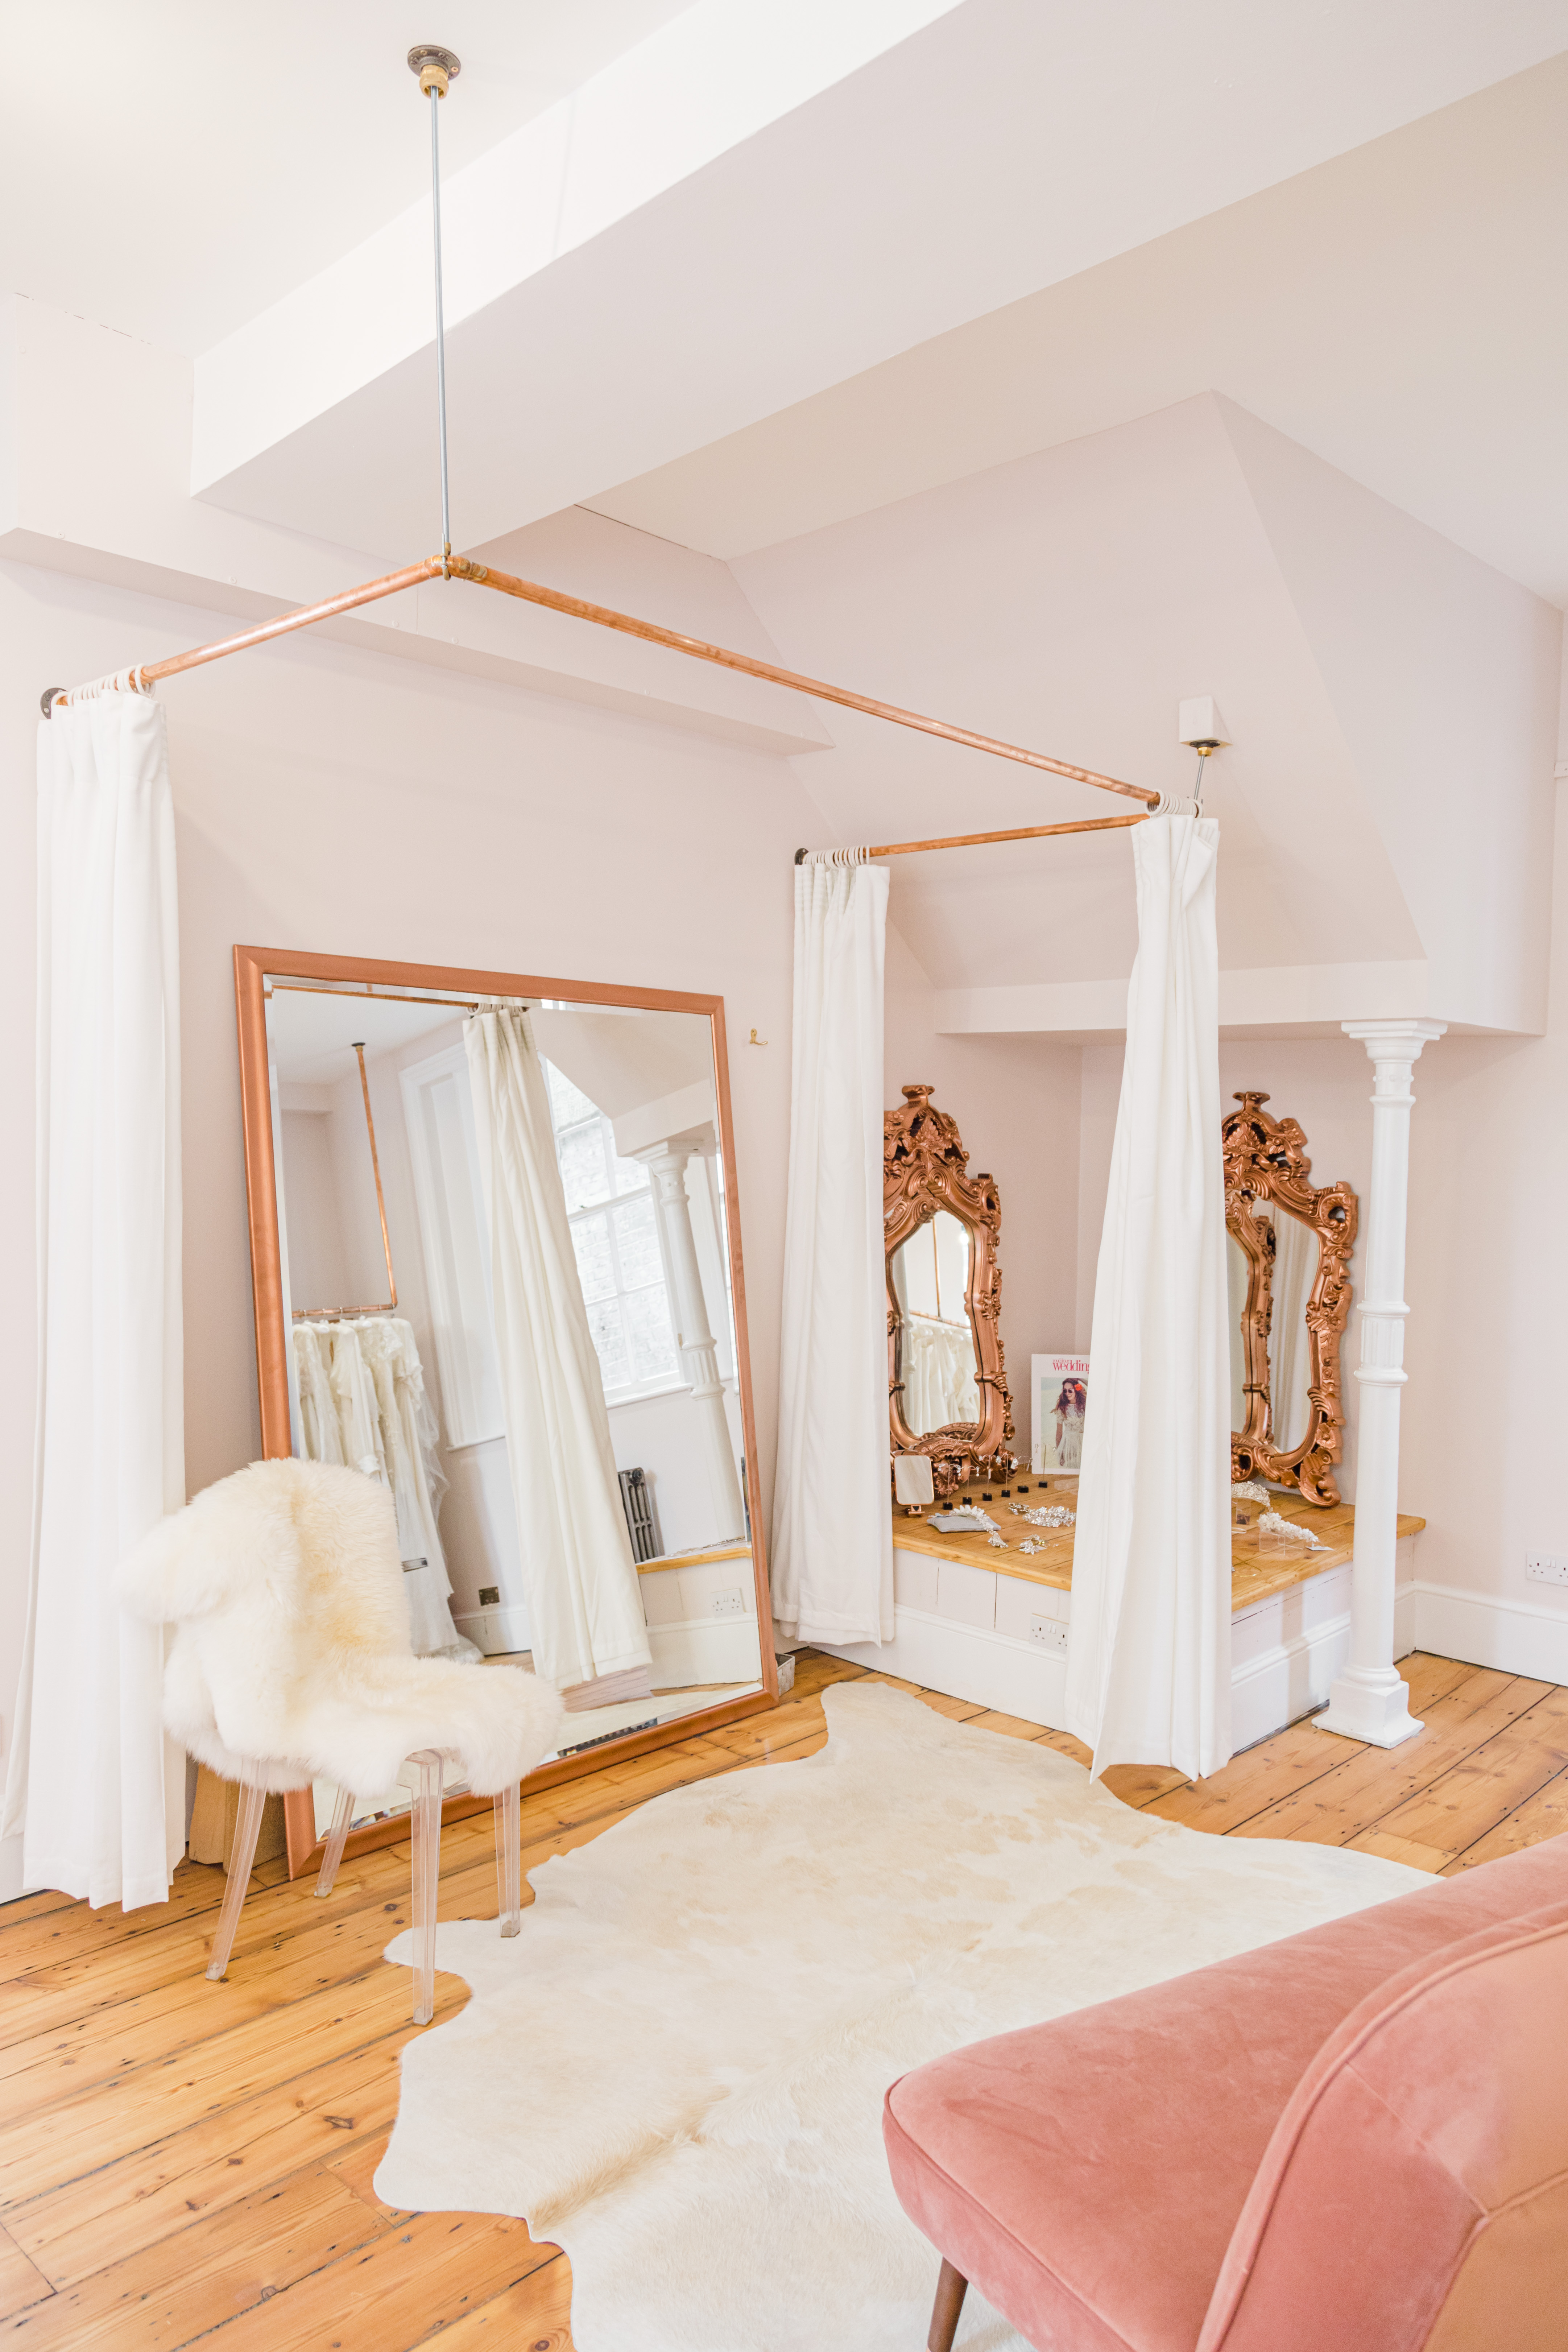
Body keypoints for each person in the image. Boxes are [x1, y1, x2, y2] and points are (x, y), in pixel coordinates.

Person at [1052, 1377, 1086, 1469]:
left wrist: (1081, 1379)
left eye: (1070, 1391)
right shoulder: (1062, 1408)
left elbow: (1095, 1390)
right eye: (1065, 1391)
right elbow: (1059, 1432)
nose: (1067, 1393)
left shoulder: (1085, 1405)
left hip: (1084, 1441)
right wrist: (1059, 1451)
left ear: (1077, 1390)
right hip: (1069, 1443)